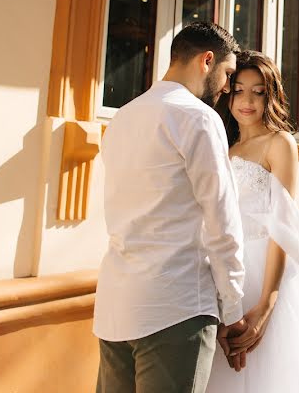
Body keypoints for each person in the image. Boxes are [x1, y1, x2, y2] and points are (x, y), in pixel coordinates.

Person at [94, 22, 256, 392]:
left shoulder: (123, 117)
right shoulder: (197, 117)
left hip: (116, 307)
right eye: (228, 74)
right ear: (207, 60)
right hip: (176, 307)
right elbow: (221, 220)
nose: (228, 87)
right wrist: (231, 310)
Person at [209, 50, 299, 392]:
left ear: (271, 94)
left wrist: (267, 301)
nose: (247, 100)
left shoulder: (279, 142)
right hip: (225, 272)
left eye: (258, 91)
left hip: (265, 269)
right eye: (238, 90)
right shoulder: (224, 145)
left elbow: (282, 225)